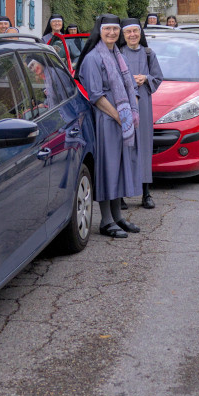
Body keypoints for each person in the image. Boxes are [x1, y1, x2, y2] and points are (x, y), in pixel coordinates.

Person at [75, 14, 141, 238]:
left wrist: (132, 111)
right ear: (99, 31)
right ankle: (106, 220)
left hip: (122, 120)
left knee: (120, 166)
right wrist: (119, 117)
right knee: (108, 167)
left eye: (115, 29)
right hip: (105, 120)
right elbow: (95, 95)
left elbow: (130, 85)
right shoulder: (93, 58)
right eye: (107, 29)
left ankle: (117, 217)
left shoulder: (118, 55)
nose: (112, 33)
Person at [119, 18, 163, 209]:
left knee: (144, 145)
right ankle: (120, 195)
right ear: (123, 35)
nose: (132, 35)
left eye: (135, 31)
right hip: (123, 103)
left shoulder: (148, 53)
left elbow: (158, 77)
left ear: (140, 33)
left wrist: (146, 78)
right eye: (128, 32)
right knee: (124, 146)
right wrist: (128, 80)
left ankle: (146, 193)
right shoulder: (118, 53)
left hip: (144, 103)